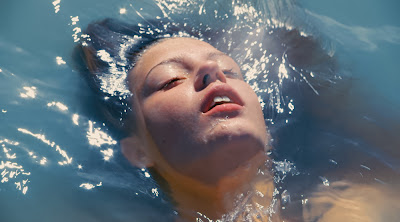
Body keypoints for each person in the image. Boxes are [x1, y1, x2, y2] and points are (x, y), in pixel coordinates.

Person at [74, 18, 400, 221]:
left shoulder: (368, 204)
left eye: (229, 71)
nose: (212, 72)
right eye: (171, 80)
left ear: (267, 126)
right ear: (137, 150)